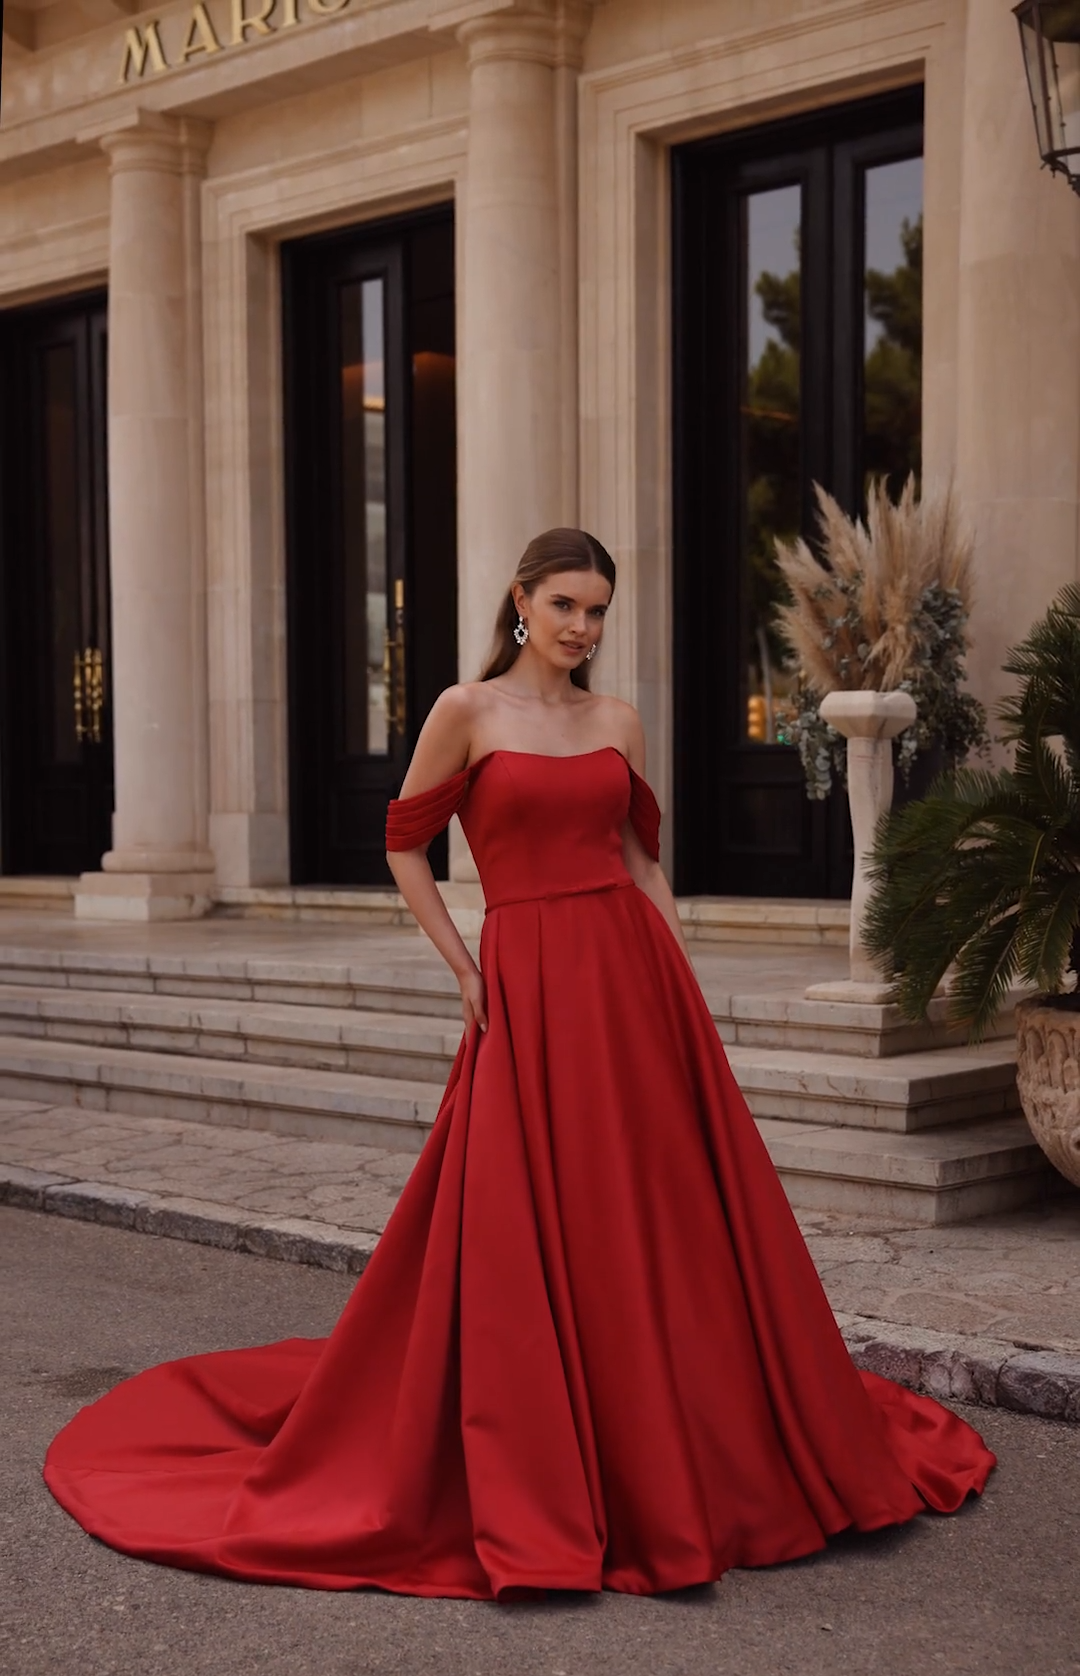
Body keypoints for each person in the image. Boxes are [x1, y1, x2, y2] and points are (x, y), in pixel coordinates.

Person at [45, 527, 994, 1599]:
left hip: (631, 983)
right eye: (566, 607)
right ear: (521, 603)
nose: (583, 629)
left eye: (597, 610)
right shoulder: (465, 711)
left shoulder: (617, 721)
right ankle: (560, 1444)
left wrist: (683, 991)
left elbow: (640, 865)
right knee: (535, 1210)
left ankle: (682, 1432)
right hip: (528, 979)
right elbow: (404, 843)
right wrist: (462, 967)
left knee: (663, 1213)